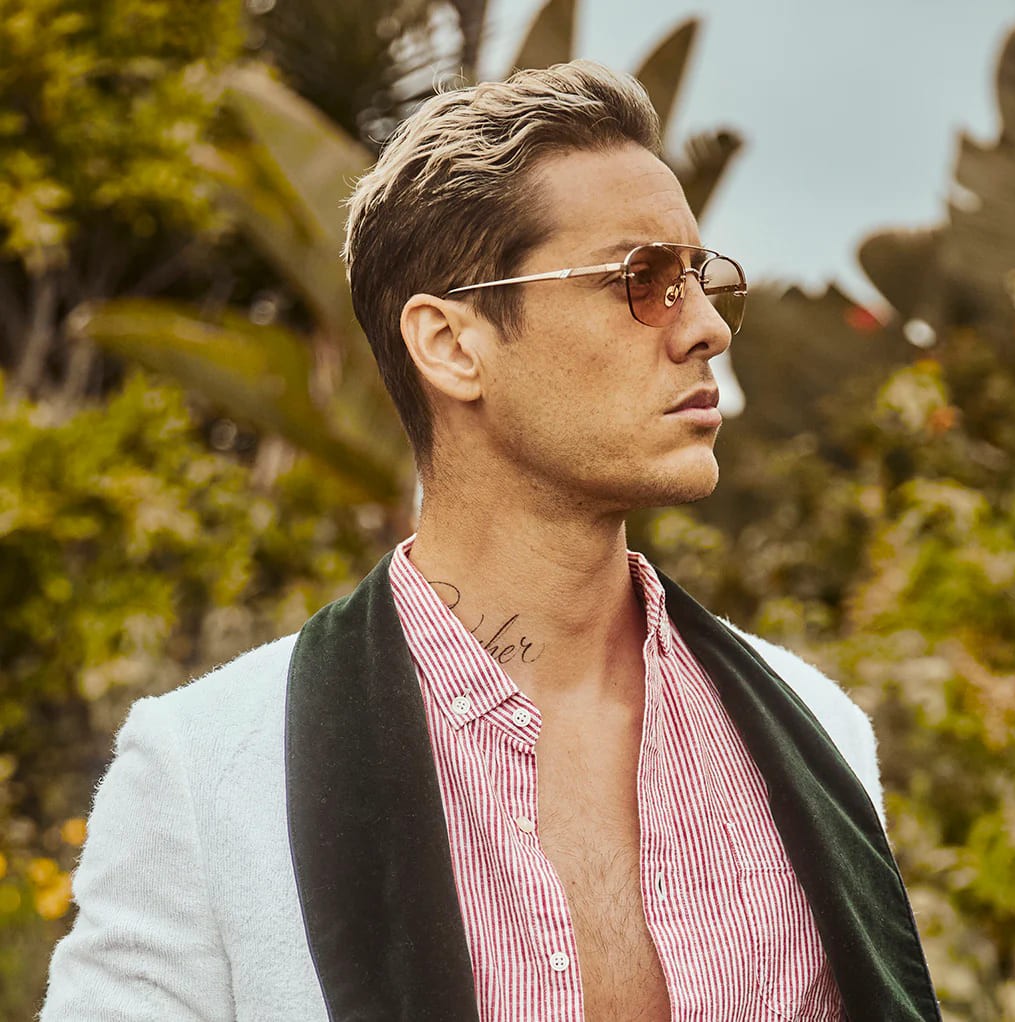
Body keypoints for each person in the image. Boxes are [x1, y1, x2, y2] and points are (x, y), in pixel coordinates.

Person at [41, 61, 940, 1021]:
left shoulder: (816, 732)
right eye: (641, 281)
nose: (708, 329)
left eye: (703, 281)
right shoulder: (209, 772)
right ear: (451, 345)